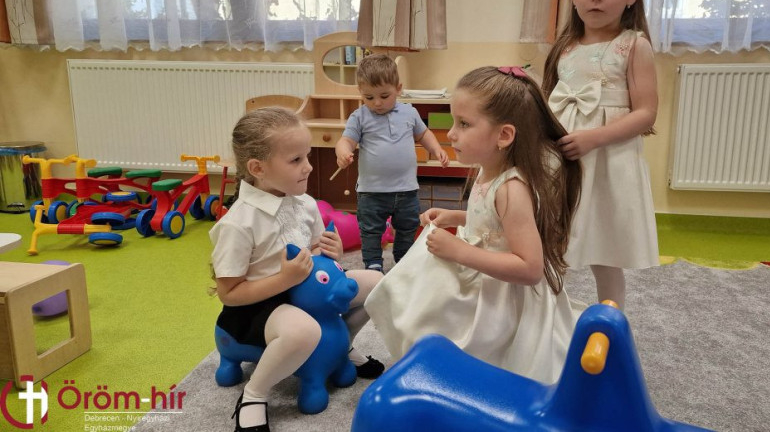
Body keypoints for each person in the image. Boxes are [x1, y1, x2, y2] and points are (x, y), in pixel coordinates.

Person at [365, 66, 582, 384]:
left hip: (503, 295)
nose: (451, 134)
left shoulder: (512, 189)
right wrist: (456, 217)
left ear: (504, 136)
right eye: (454, 122)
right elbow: (495, 224)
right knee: (415, 296)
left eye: (464, 124)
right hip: (482, 272)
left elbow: (530, 268)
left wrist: (458, 251)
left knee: (469, 349)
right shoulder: (487, 168)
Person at [210, 107, 385, 432]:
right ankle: (254, 394)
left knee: (378, 284)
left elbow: (315, 253)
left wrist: (330, 253)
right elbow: (229, 294)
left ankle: (342, 346)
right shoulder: (238, 223)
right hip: (259, 307)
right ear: (258, 168)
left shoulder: (304, 203)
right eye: (295, 160)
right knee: (304, 331)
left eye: (307, 156)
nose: (309, 166)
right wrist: (285, 279)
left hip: (306, 292)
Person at [542, 0, 659, 309]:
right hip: (564, 161)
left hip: (608, 162)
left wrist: (593, 138)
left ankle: (611, 320)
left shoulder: (633, 45)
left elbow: (646, 114)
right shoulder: (564, 49)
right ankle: (546, 315)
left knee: (604, 249)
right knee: (551, 238)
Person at [335, 53, 449, 273]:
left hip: (406, 189)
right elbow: (346, 141)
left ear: (398, 88)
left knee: (408, 227)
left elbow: (424, 134)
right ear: (360, 92)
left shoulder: (409, 112)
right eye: (369, 97)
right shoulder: (359, 116)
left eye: (384, 95)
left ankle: (403, 259)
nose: (377, 103)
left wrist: (436, 149)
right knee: (370, 230)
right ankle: (373, 264)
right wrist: (343, 152)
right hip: (372, 191)